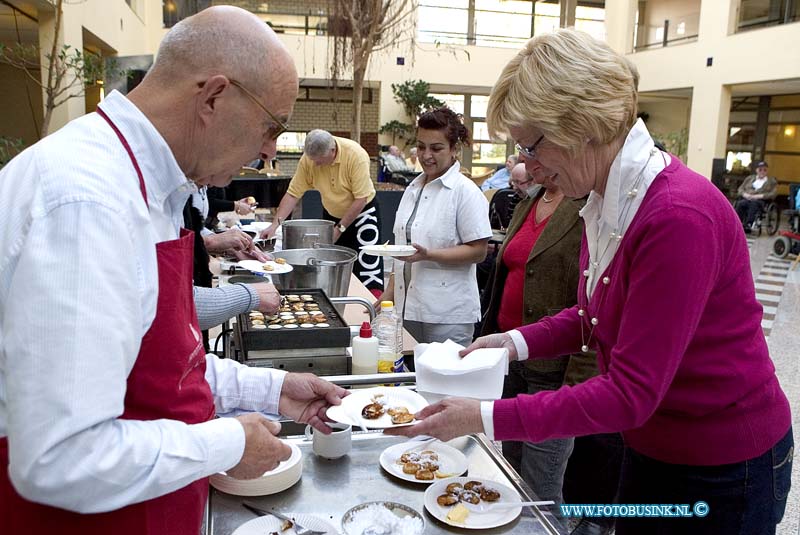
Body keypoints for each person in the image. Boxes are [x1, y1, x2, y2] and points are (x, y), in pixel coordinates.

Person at [386, 29, 792, 535]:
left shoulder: (676, 216)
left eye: (532, 146)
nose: (527, 167)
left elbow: (630, 392)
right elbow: (595, 317)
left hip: (722, 465)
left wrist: (487, 416)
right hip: (651, 445)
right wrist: (510, 344)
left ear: (581, 127)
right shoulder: (606, 201)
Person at [0, 7, 347, 534]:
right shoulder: (86, 200)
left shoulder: (151, 187)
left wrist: (271, 389)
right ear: (213, 97)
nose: (267, 153)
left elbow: (162, 362)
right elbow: (59, 457)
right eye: (271, 127)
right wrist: (226, 442)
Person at [481, 163, 594, 513]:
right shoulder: (531, 201)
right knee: (513, 473)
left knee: (540, 485)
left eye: (533, 149)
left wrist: (577, 382)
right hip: (511, 358)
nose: (528, 163)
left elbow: (591, 303)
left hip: (553, 369)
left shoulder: (586, 207)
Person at [376, 107, 491, 347]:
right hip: (407, 307)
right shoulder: (413, 189)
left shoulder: (466, 192)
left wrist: (430, 255)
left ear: (454, 149)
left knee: (444, 383)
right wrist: (389, 293)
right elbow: (402, 249)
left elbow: (478, 251)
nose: (426, 155)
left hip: (448, 314)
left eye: (436, 148)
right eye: (421, 147)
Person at [261, 129, 384, 294]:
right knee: (331, 265)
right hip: (332, 214)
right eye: (313, 160)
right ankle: (336, 301)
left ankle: (371, 306)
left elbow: (360, 198)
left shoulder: (356, 155)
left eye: (320, 161)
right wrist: (274, 225)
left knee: (367, 265)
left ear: (332, 151)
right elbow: (293, 194)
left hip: (363, 213)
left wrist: (339, 229)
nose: (316, 165)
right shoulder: (309, 160)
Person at [735, 161, 777, 233]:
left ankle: (749, 224)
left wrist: (760, 196)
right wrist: (745, 194)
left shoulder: (771, 181)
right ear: (756, 170)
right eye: (760, 170)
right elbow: (740, 188)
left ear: (767, 171)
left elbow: (773, 193)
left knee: (754, 204)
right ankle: (737, 223)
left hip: (760, 200)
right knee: (741, 203)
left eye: (764, 170)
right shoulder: (750, 178)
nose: (762, 172)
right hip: (747, 198)